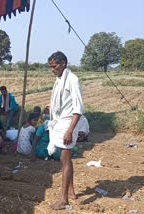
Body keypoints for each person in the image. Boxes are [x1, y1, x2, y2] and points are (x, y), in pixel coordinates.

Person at [47, 51, 84, 210]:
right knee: (65, 160)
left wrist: (70, 130)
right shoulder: (59, 80)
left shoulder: (73, 80)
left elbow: (78, 108)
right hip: (61, 123)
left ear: (63, 64)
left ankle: (64, 200)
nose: (52, 69)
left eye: (54, 66)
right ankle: (71, 192)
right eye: (51, 67)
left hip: (68, 124)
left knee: (65, 160)